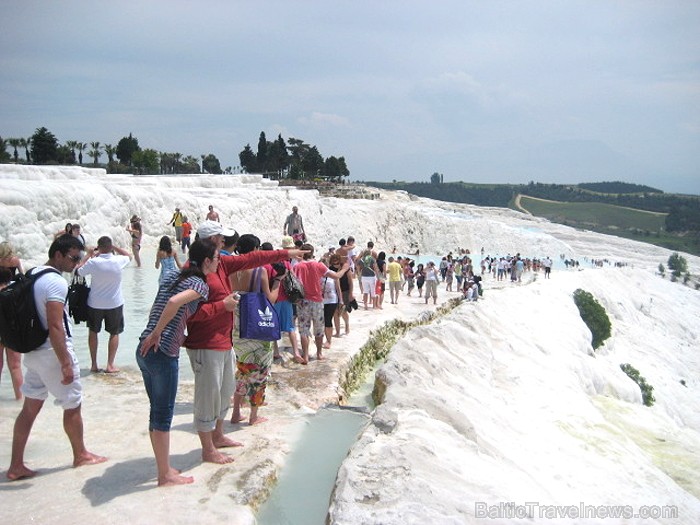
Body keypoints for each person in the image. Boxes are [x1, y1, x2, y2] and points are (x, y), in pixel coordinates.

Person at [183, 221, 306, 461]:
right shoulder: (195, 269)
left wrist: (286, 253)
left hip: (225, 339)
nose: (223, 242)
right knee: (208, 395)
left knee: (224, 389)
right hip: (205, 342)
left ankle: (218, 435)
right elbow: (188, 312)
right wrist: (222, 306)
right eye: (220, 238)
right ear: (209, 240)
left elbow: (253, 259)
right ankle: (208, 450)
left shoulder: (220, 263)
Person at [7, 234, 107, 481]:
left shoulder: (33, 273)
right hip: (53, 352)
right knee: (73, 403)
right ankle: (81, 454)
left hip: (33, 352)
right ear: (58, 255)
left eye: (80, 257)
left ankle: (16, 465)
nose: (76, 262)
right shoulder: (56, 283)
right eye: (73, 257)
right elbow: (55, 326)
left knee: (30, 408)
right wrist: (65, 363)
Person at [136, 239, 220, 487]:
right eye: (216, 258)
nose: (219, 262)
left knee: (156, 412)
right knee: (162, 416)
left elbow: (159, 304)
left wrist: (154, 332)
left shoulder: (173, 275)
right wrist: (158, 334)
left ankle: (164, 467)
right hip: (161, 352)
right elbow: (174, 305)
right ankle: (165, 475)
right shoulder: (199, 285)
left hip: (143, 350)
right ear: (206, 261)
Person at [228, 234, 282, 426]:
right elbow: (271, 299)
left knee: (242, 369)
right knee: (259, 371)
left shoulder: (230, 269)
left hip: (236, 327)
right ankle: (253, 416)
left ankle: (235, 412)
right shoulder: (259, 271)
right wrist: (278, 282)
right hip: (255, 327)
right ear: (256, 250)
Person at [76, 236, 132, 373]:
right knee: (114, 333)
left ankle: (94, 365)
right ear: (110, 247)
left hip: (95, 303)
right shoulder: (118, 260)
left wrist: (88, 255)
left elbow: (78, 270)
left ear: (99, 247)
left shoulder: (94, 262)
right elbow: (129, 255)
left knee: (93, 332)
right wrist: (115, 248)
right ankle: (110, 365)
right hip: (115, 303)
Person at [293, 244, 348, 362]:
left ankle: (306, 356)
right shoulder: (319, 265)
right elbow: (336, 276)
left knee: (304, 329)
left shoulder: (297, 267)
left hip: (302, 301)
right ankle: (319, 353)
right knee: (318, 328)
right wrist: (344, 268)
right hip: (317, 301)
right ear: (312, 252)